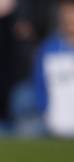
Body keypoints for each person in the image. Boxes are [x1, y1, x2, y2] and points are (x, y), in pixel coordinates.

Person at [32, 0, 74, 138]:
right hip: (52, 122)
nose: (69, 19)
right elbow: (39, 85)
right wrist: (45, 112)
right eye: (65, 14)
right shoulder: (48, 48)